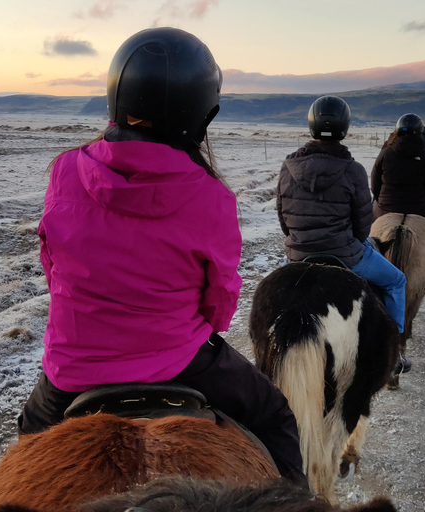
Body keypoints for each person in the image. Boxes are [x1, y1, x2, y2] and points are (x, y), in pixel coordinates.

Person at [17, 27, 305, 486]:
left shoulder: (65, 170)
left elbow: (53, 268)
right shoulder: (212, 196)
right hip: (178, 358)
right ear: (198, 114)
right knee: (274, 416)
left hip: (72, 365)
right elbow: (220, 302)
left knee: (28, 450)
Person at [276, 95, 408, 348]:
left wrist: (300, 240)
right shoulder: (353, 169)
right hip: (345, 254)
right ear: (345, 127)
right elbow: (362, 225)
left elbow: (283, 218)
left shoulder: (287, 166)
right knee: (396, 281)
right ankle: (394, 345)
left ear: (311, 124)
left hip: (298, 254)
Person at [372, 114, 425, 273]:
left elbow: (375, 183)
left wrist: (379, 200)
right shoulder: (424, 154)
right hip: (419, 207)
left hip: (386, 207)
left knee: (364, 218)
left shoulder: (386, 152)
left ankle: (359, 254)